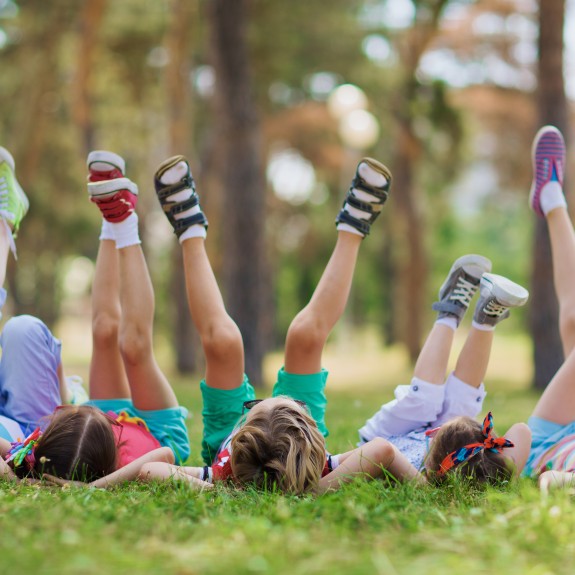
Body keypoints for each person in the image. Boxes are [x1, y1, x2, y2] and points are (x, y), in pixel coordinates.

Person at [126, 153, 418, 495]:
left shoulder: (225, 472)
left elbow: (151, 470)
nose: (265, 397)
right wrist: (313, 491)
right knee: (305, 336)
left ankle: (188, 228)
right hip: (295, 441)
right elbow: (383, 451)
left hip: (235, 439)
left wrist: (225, 491)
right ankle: (353, 227)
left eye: (255, 406)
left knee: (223, 342)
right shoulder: (318, 464)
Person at [1, 149, 189, 483]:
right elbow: (166, 456)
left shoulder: (47, 450)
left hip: (92, 427)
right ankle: (125, 222)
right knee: (134, 346)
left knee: (102, 331)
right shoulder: (138, 457)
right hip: (156, 430)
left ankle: (110, 215)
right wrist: (100, 487)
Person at [359, 252, 532, 483]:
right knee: (463, 401)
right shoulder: (478, 467)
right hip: (458, 449)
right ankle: (487, 315)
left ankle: (451, 309)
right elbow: (522, 430)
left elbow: (382, 450)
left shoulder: (422, 480)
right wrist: (503, 465)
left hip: (389, 434)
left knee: (423, 401)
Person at [516, 126, 575, 492]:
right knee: (572, 321)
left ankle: (552, 198)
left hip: (548, 440)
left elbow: (553, 481)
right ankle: (552, 199)